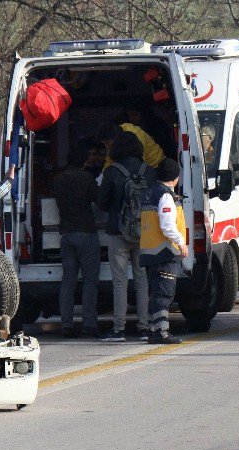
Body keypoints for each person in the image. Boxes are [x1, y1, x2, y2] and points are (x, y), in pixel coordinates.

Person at [96, 131, 155, 342]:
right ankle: (145, 327)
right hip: (145, 234)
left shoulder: (112, 171)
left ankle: (118, 329)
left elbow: (102, 203)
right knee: (143, 280)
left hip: (118, 232)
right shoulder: (149, 171)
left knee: (119, 281)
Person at [54, 146, 101, 338]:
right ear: (83, 160)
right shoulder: (86, 179)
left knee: (68, 282)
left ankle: (66, 324)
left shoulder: (58, 181)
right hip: (86, 233)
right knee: (90, 281)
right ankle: (89, 324)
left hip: (66, 235)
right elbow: (99, 199)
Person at [139, 158, 187, 344]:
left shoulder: (150, 192)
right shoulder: (166, 196)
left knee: (155, 292)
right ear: (175, 178)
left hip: (150, 251)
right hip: (164, 251)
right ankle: (161, 332)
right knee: (164, 293)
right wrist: (181, 243)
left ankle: (154, 330)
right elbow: (167, 225)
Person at [98, 121, 164, 169]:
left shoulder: (135, 136)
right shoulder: (115, 140)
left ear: (113, 138)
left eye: (107, 143)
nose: (106, 146)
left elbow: (138, 164)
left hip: (157, 165)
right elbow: (109, 161)